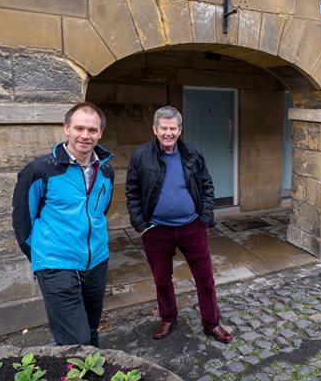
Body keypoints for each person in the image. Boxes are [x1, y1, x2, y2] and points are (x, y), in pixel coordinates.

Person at [125, 106, 233, 343]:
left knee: (205, 278)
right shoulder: (141, 155)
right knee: (162, 279)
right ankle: (168, 318)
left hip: (191, 227)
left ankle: (212, 323)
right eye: (163, 128)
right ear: (155, 129)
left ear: (179, 129)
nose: (168, 133)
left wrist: (204, 218)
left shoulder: (192, 153)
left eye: (173, 128)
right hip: (156, 230)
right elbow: (132, 192)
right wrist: (141, 224)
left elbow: (206, 185)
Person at [12, 102, 114, 347]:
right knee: (75, 340)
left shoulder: (107, 171)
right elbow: (22, 221)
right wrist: (42, 258)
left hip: (97, 261)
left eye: (92, 130)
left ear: (100, 133)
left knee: (90, 329)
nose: (85, 135)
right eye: (79, 128)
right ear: (67, 128)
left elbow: (100, 211)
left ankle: (90, 370)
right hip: (56, 264)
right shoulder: (39, 170)